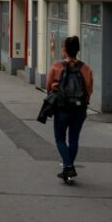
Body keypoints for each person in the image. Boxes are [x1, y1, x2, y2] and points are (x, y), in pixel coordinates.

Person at [46, 36, 93, 183]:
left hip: (62, 108)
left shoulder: (56, 66)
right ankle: (69, 170)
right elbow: (89, 89)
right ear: (78, 50)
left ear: (64, 50)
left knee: (59, 138)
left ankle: (68, 166)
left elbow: (48, 87)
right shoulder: (86, 69)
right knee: (74, 139)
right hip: (79, 109)